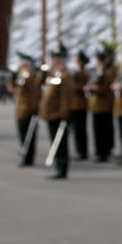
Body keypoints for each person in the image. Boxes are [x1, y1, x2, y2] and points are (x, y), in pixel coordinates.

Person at [39, 45, 71, 180]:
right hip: (51, 114)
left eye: (53, 59)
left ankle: (62, 168)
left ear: (58, 60)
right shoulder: (54, 74)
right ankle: (58, 166)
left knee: (60, 143)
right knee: (55, 143)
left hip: (58, 115)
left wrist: (63, 114)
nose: (51, 61)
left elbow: (66, 97)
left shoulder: (65, 75)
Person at [87, 48, 115, 163]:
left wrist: (92, 88)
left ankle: (103, 152)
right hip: (95, 106)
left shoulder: (107, 72)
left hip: (104, 105)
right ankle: (99, 152)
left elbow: (105, 88)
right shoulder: (96, 71)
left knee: (103, 130)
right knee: (97, 131)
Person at [12, 56, 40, 165]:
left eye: (23, 63)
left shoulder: (31, 76)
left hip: (28, 109)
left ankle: (28, 158)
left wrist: (34, 109)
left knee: (28, 135)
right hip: (20, 109)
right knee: (22, 134)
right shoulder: (21, 75)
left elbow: (34, 94)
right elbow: (13, 87)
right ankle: (26, 155)